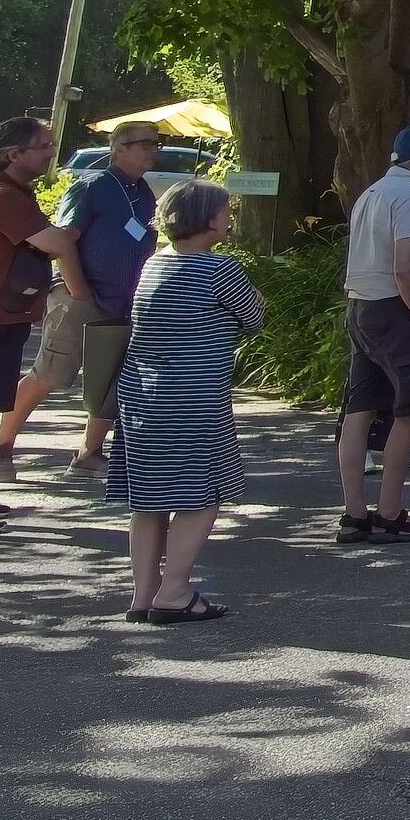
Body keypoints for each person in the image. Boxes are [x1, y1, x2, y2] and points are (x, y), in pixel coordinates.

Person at [108, 181, 264, 623]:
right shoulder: (220, 271)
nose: (229, 216)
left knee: (149, 498)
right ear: (209, 220)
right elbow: (253, 319)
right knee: (201, 495)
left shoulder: (153, 265)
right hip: (195, 398)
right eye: (225, 210)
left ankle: (143, 594)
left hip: (140, 395)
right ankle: (175, 590)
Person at [334, 123, 410, 543]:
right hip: (398, 309)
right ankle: (389, 512)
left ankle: (354, 513)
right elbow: (403, 265)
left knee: (361, 407)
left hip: (362, 305)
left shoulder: (372, 192)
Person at [50, 120, 161, 478]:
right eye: (143, 143)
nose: (152, 150)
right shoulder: (92, 185)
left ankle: (89, 452)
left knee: (112, 378)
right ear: (119, 149)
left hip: (123, 300)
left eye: (155, 143)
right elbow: (64, 238)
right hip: (81, 297)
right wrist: (78, 289)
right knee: (51, 374)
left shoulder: (142, 192)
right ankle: (2, 444)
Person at [0, 115, 83, 484]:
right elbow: (57, 242)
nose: (51, 154)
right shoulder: (3, 195)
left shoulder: (18, 193)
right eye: (44, 146)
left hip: (6, 316)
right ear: (14, 153)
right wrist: (81, 291)